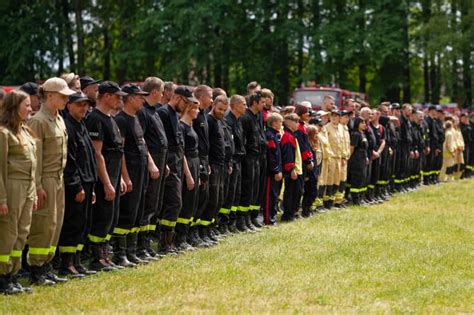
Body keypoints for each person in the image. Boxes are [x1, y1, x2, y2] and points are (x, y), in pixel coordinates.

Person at [27, 77, 74, 285]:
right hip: (44, 178)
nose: (66, 99)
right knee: (43, 224)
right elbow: (34, 157)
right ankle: (36, 269)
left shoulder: (59, 118)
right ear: (50, 96)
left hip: (58, 178)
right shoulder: (38, 121)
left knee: (55, 224)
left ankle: (47, 265)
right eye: (63, 96)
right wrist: (37, 186)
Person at [85, 81, 127, 272]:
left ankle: (105, 255)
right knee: (102, 215)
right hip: (105, 172)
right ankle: (96, 258)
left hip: (115, 170)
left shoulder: (111, 118)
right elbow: (97, 153)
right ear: (106, 96)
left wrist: (122, 179)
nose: (120, 100)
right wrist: (108, 183)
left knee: (112, 215)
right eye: (117, 96)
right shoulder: (95, 118)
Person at [0, 90, 37, 294]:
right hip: (12, 188)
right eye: (27, 105)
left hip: (27, 188)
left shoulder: (25, 131)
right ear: (15, 107)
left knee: (22, 233)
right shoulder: (3, 133)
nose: (31, 109)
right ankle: (2, 277)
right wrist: (2, 199)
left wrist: (32, 192)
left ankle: (12, 275)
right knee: (8, 233)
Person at [57, 92, 97, 278]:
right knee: (72, 224)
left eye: (86, 104)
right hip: (76, 185)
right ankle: (66, 264)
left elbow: (89, 158)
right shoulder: (69, 127)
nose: (84, 108)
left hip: (88, 182)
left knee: (83, 225)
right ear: (69, 106)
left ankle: (77, 261)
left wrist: (92, 185)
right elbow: (70, 162)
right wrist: (76, 186)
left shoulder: (81, 125)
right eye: (79, 104)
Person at [112, 84, 152, 267]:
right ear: (129, 98)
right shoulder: (121, 120)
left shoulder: (135, 118)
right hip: (131, 171)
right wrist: (125, 177)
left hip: (141, 170)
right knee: (128, 211)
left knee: (138, 211)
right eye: (139, 96)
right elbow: (121, 152)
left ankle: (132, 250)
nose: (142, 99)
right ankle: (120, 254)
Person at [157, 86, 197, 255]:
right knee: (173, 202)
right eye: (186, 102)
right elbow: (164, 142)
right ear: (179, 98)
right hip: (170, 161)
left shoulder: (174, 114)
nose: (187, 107)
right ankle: (164, 244)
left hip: (178, 161)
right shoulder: (164, 113)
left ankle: (169, 243)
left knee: (176, 203)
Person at [136, 77, 169, 259]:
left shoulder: (154, 111)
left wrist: (163, 164)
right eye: (162, 91)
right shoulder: (142, 112)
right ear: (155, 91)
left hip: (160, 162)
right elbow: (143, 141)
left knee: (154, 205)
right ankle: (141, 246)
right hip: (151, 163)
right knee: (147, 205)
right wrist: (152, 164)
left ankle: (147, 244)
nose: (163, 95)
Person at [199, 95, 229, 243]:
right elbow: (206, 144)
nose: (222, 112)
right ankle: (202, 231)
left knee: (219, 199)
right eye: (219, 109)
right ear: (213, 106)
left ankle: (211, 228)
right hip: (212, 165)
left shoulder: (220, 121)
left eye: (224, 110)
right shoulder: (208, 120)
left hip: (222, 165)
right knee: (211, 199)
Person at [220, 95, 247, 233]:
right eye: (243, 104)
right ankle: (223, 224)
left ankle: (232, 221)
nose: (245, 107)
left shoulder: (238, 121)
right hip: (232, 161)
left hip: (238, 162)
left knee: (236, 193)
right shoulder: (228, 121)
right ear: (235, 105)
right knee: (229, 193)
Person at [175, 101, 200, 251]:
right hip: (188, 164)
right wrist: (188, 174)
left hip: (196, 162)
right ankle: (180, 238)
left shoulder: (191, 125)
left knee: (193, 202)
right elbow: (181, 152)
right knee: (186, 201)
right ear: (189, 109)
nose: (198, 111)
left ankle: (186, 234)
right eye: (195, 108)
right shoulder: (181, 126)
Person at [239, 92, 265, 231]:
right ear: (254, 103)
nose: (264, 105)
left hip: (257, 157)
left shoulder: (257, 117)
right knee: (247, 189)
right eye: (262, 102)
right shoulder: (246, 118)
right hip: (248, 158)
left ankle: (250, 218)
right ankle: (242, 220)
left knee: (255, 189)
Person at [191, 85, 213, 245]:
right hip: (196, 159)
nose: (211, 99)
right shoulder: (195, 115)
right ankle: (190, 233)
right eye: (209, 96)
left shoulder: (203, 114)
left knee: (205, 197)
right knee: (196, 198)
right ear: (200, 96)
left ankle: (197, 231)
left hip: (205, 159)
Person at [263, 113, 283, 225]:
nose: (281, 124)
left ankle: (273, 217)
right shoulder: (270, 136)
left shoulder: (275, 135)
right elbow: (272, 155)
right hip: (271, 173)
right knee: (270, 196)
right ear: (274, 123)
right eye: (280, 122)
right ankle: (268, 219)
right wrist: (276, 170)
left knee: (275, 195)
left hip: (277, 170)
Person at [280, 113, 301, 221]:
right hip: (290, 171)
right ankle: (287, 215)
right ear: (288, 122)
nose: (298, 124)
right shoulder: (288, 137)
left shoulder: (291, 135)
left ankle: (291, 213)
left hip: (294, 170)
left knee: (295, 192)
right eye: (296, 121)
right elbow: (288, 155)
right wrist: (291, 169)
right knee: (290, 192)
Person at [348, 117, 369, 205]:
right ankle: (355, 200)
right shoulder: (355, 134)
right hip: (356, 159)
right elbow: (352, 148)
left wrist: (366, 157)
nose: (364, 124)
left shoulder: (363, 134)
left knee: (362, 178)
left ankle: (360, 198)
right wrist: (348, 158)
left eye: (365, 122)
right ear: (357, 124)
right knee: (357, 178)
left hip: (362, 158)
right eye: (362, 122)